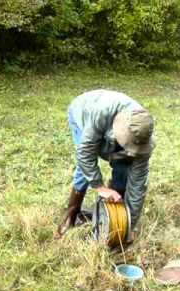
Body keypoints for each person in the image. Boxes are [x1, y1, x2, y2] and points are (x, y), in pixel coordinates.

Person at [56, 89, 155, 241]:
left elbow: (138, 186)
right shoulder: (102, 112)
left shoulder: (142, 138)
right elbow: (85, 153)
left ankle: (112, 214)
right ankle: (72, 213)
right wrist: (100, 187)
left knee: (123, 167)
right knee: (84, 169)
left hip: (107, 126)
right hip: (82, 113)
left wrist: (130, 225)